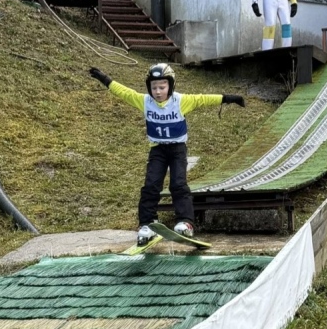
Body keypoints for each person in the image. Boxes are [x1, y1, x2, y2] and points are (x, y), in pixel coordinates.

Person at [88, 63, 246, 245]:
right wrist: (104, 79)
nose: (157, 91)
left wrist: (229, 98)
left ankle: (186, 222)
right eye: (154, 87)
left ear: (171, 86)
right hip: (158, 150)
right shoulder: (145, 101)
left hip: (178, 149)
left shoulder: (181, 101)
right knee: (151, 185)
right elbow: (124, 92)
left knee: (178, 184)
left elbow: (203, 99)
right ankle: (147, 224)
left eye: (162, 87)